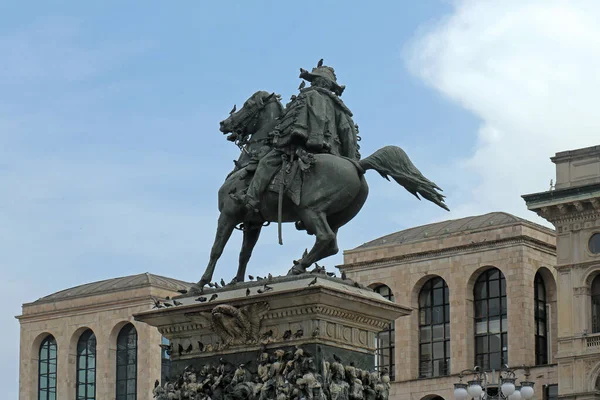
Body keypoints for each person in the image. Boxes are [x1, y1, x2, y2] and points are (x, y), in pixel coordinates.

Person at [239, 61, 360, 212]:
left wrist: (282, 141)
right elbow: (348, 133)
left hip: (302, 146)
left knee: (266, 163)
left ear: (317, 81)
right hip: (333, 152)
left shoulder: (307, 96)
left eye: (314, 79)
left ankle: (251, 198)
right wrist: (350, 160)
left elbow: (293, 125)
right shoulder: (340, 108)